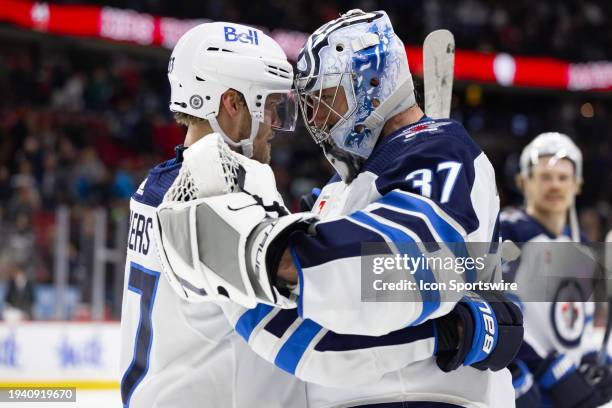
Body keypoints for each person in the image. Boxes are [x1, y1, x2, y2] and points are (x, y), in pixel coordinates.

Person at [155, 10, 524, 407]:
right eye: (310, 104)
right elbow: (319, 334)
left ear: (374, 83)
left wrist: (266, 254)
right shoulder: (342, 187)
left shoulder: (442, 153)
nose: (314, 119)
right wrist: (459, 327)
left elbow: (382, 272)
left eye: (326, 98)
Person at [118, 22, 307, 408]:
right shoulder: (214, 189)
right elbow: (309, 274)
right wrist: (436, 268)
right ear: (233, 103)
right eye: (269, 104)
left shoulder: (159, 184)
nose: (274, 124)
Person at [501, 132, 612, 408]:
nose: (555, 186)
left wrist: (592, 359)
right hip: (524, 390)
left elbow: (578, 321)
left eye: (563, 178)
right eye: (545, 177)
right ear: (523, 181)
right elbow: (492, 307)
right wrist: (531, 367)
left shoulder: (583, 250)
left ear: (577, 185)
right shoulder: (508, 233)